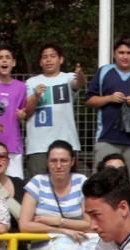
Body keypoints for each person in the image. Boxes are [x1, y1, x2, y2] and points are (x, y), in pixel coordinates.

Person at [85, 37, 130, 186]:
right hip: (107, 137)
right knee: (102, 183)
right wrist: (109, 98)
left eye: (129, 52)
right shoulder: (104, 72)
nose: (125, 56)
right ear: (114, 54)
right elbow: (89, 100)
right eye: (121, 52)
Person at [23, 43, 85, 179]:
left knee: (68, 184)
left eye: (52, 56)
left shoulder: (68, 77)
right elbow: (26, 112)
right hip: (38, 146)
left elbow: (79, 83)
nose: (48, 60)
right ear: (40, 62)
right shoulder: (31, 82)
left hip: (66, 142)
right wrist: (35, 96)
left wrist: (80, 75)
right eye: (45, 57)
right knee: (38, 185)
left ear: (60, 59)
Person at [0, 45, 27, 179]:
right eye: (0, 58)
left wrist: (23, 115)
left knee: (15, 185)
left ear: (13, 62)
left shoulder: (21, 87)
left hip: (13, 145)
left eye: (8, 58)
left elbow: (24, 112)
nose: (4, 61)